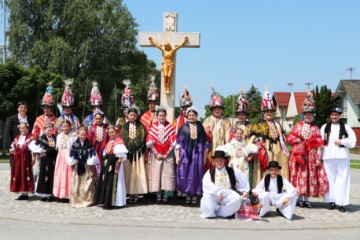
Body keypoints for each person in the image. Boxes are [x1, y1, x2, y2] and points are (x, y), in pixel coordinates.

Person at [286, 91, 329, 208]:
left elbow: (319, 144)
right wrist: (297, 140)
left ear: (313, 115)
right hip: (299, 157)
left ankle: (306, 199)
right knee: (299, 176)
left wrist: (318, 158)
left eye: (310, 114)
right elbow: (289, 137)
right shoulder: (298, 126)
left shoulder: (315, 128)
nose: (308, 116)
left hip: (311, 157)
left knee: (309, 176)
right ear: (303, 115)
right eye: (306, 114)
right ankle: (299, 198)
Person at [249, 89, 289, 188]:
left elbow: (282, 138)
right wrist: (258, 142)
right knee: (266, 168)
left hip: (277, 150)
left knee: (277, 167)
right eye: (267, 111)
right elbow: (253, 137)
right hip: (266, 150)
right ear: (263, 112)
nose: (269, 113)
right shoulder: (259, 123)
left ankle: (279, 188)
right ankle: (263, 188)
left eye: (271, 111)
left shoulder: (277, 123)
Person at [320, 107, 356, 212]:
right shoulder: (324, 127)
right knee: (329, 180)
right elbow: (320, 141)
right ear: (330, 116)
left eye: (336, 115)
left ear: (339, 116)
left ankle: (341, 203)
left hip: (342, 156)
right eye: (332, 114)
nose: (334, 116)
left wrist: (343, 141)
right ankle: (331, 201)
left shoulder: (346, 127)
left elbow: (353, 141)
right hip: (328, 156)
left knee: (342, 180)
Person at [200, 150, 249, 218]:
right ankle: (210, 212)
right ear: (214, 161)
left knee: (237, 198)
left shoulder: (231, 170)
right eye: (217, 160)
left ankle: (222, 212)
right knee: (207, 196)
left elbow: (242, 178)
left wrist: (243, 190)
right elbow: (206, 184)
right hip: (215, 193)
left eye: (221, 160)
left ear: (224, 161)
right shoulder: (210, 172)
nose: (219, 163)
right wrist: (218, 192)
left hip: (228, 192)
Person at [176, 107, 209, 206]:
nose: (191, 117)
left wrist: (204, 157)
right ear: (187, 116)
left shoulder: (200, 127)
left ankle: (194, 196)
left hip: (197, 155)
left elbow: (204, 144)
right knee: (185, 173)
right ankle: (187, 196)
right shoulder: (183, 127)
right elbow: (178, 143)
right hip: (185, 154)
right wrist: (177, 156)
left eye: (193, 115)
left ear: (196, 116)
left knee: (195, 174)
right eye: (189, 115)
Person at [146, 106, 176, 204]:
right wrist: (156, 153)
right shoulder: (153, 127)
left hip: (168, 155)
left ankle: (166, 195)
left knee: (167, 175)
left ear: (166, 116)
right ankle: (158, 195)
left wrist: (167, 153)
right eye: (160, 116)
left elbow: (174, 141)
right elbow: (150, 141)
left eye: (163, 116)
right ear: (157, 116)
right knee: (157, 174)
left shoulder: (170, 127)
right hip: (156, 155)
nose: (161, 117)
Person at [31, 83, 57, 188]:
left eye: (49, 107)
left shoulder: (57, 120)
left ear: (51, 108)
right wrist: (35, 151)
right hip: (41, 147)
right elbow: (34, 134)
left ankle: (51, 188)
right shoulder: (38, 119)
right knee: (39, 169)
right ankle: (39, 188)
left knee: (51, 169)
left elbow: (58, 135)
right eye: (45, 107)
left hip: (51, 148)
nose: (47, 109)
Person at [120, 107, 148, 203]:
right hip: (127, 154)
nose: (132, 117)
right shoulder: (124, 127)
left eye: (134, 115)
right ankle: (128, 193)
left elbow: (143, 138)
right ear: (127, 115)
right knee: (128, 172)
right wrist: (127, 149)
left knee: (136, 173)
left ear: (137, 116)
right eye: (130, 115)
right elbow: (123, 138)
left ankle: (136, 194)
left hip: (138, 154)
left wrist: (138, 148)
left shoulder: (141, 126)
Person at [97, 126, 128, 209]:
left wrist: (117, 167)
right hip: (108, 164)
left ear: (116, 132)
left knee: (117, 181)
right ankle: (107, 200)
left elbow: (121, 157)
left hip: (115, 164)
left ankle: (117, 202)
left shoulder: (119, 141)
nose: (111, 134)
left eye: (113, 132)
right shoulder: (110, 141)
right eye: (110, 133)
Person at [68, 127, 99, 208]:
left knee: (87, 183)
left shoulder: (89, 144)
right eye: (81, 134)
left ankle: (87, 200)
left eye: (84, 135)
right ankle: (76, 200)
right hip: (78, 166)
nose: (82, 136)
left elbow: (92, 157)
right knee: (77, 183)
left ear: (87, 135)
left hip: (87, 166)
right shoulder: (75, 144)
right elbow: (72, 156)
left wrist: (92, 168)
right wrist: (72, 164)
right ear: (78, 134)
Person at [202, 87, 232, 171]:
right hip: (210, 149)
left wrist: (228, 151)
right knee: (210, 170)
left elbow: (229, 137)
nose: (217, 110)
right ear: (212, 110)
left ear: (222, 110)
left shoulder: (226, 121)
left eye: (219, 108)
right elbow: (203, 137)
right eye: (215, 109)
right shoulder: (207, 120)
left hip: (223, 149)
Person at [29, 123, 57, 202]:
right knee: (45, 176)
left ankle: (51, 194)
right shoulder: (42, 138)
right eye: (48, 130)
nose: (49, 132)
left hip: (52, 160)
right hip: (45, 161)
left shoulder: (54, 138)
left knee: (52, 176)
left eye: (51, 130)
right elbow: (32, 146)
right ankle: (44, 194)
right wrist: (39, 153)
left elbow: (56, 149)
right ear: (44, 130)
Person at [9, 122, 35, 200]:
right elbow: (12, 147)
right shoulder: (17, 138)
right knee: (18, 174)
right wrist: (11, 150)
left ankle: (26, 192)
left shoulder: (30, 137)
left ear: (27, 128)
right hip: (17, 159)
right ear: (19, 129)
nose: (23, 129)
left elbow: (33, 149)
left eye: (24, 128)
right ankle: (21, 191)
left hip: (26, 158)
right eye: (21, 128)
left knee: (25, 174)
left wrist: (33, 158)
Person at [53, 120, 78, 200]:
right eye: (64, 126)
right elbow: (58, 148)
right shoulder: (59, 136)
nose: (65, 128)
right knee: (60, 174)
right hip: (61, 158)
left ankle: (69, 194)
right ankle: (61, 194)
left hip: (69, 157)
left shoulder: (74, 136)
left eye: (67, 126)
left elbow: (76, 147)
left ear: (70, 127)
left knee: (69, 175)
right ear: (61, 127)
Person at [5, 101, 35, 167]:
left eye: (25, 107)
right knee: (15, 168)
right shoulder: (11, 119)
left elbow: (33, 133)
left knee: (26, 169)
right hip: (15, 148)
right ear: (17, 109)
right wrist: (10, 147)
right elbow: (7, 134)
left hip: (27, 149)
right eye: (21, 107)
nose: (23, 109)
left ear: (27, 109)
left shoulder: (31, 119)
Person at [88, 110, 109, 177]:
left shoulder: (107, 128)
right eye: (96, 119)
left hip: (104, 151)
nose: (98, 120)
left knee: (104, 168)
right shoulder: (92, 128)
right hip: (95, 150)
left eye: (100, 118)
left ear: (103, 119)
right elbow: (89, 140)